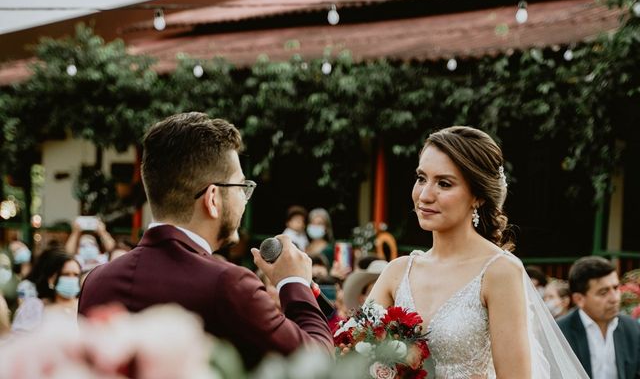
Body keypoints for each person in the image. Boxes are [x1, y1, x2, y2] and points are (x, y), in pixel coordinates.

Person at [78, 112, 332, 368]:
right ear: (212, 199)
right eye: (241, 188)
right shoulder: (229, 284)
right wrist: (294, 281)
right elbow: (316, 364)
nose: (244, 201)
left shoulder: (96, 281)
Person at [367, 125, 588, 378]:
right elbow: (353, 351)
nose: (425, 195)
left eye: (444, 183)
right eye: (421, 178)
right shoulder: (397, 271)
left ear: (478, 196)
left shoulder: (499, 271)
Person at [558, 256, 640, 379]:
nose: (615, 298)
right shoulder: (560, 333)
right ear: (579, 299)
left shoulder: (632, 329)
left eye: (616, 288)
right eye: (603, 292)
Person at [12, 248, 81, 333]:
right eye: (66, 274)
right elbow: (19, 340)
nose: (72, 279)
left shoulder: (85, 305)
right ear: (51, 278)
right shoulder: (35, 307)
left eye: (76, 275)